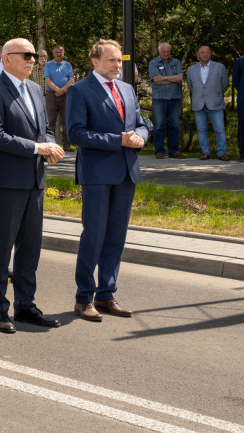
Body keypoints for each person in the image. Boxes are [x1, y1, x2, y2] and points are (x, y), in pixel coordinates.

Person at [0, 38, 64, 334]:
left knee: (30, 248)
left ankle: (25, 305)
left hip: (34, 180)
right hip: (6, 182)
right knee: (1, 249)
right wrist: (38, 148)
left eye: (32, 55)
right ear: (6, 60)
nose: (31, 59)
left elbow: (46, 129)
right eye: (25, 55)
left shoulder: (37, 90)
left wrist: (50, 145)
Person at [66, 40, 148, 322]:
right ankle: (83, 298)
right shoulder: (79, 90)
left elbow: (141, 123)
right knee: (94, 236)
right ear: (95, 61)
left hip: (126, 172)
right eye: (112, 60)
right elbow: (75, 134)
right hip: (97, 174)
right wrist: (118, 140)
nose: (117, 65)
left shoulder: (126, 89)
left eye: (119, 61)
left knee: (116, 237)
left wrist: (140, 137)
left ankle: (106, 294)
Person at [186, 46, 229, 160]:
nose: (205, 54)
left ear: (211, 54)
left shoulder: (220, 67)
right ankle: (205, 152)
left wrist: (216, 94)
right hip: (199, 104)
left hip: (215, 103)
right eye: (202, 53)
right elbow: (191, 86)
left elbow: (224, 84)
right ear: (198, 55)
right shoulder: (191, 69)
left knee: (219, 129)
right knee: (201, 130)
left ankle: (221, 153)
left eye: (207, 53)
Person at [148, 42, 184, 158]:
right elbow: (156, 80)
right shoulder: (153, 63)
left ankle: (173, 151)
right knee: (158, 126)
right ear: (159, 51)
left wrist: (164, 78)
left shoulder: (176, 62)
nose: (166, 54)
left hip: (174, 98)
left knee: (173, 125)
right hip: (159, 99)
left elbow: (180, 78)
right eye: (163, 52)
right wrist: (172, 79)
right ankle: (159, 151)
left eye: (168, 51)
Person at [43, 45, 75, 150]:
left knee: (66, 120)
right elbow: (47, 80)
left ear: (64, 53)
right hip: (51, 95)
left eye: (61, 52)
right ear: (53, 54)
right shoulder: (48, 65)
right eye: (57, 52)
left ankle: (66, 145)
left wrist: (62, 90)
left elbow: (71, 80)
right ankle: (50, 144)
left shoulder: (67, 65)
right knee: (50, 120)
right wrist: (57, 90)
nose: (59, 54)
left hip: (65, 95)